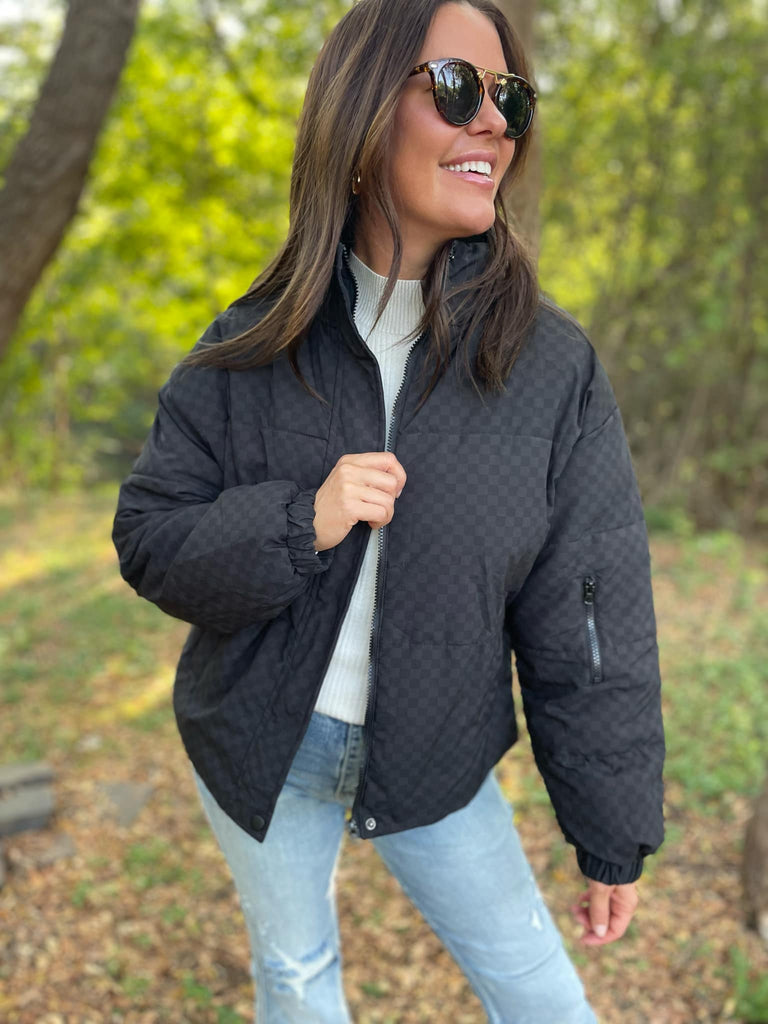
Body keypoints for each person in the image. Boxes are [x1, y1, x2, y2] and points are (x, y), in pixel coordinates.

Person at [112, 0, 666, 1020]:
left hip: (438, 753)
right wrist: (300, 522)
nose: (492, 121)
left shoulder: (550, 370)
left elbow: (591, 611)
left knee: (543, 998)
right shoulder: (251, 344)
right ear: (361, 114)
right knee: (296, 976)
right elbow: (149, 538)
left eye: (510, 99)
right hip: (261, 743)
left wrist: (610, 828)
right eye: (456, 88)